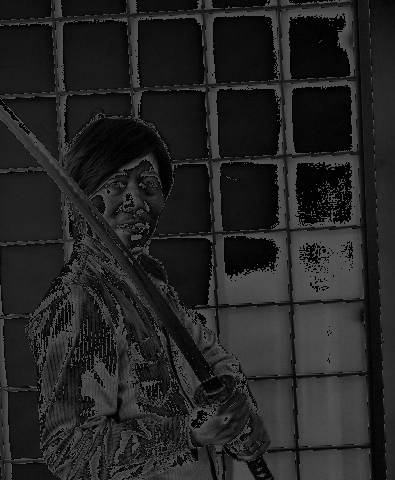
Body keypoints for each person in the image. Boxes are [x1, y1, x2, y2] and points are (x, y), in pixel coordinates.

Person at [25, 115, 270, 480]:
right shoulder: (80, 300)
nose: (134, 201)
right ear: (81, 199)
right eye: (115, 185)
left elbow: (211, 358)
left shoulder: (153, 286)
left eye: (148, 185)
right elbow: (70, 451)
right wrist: (187, 433)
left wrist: (239, 414)